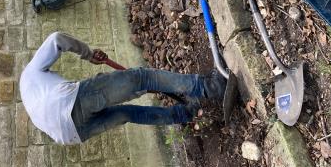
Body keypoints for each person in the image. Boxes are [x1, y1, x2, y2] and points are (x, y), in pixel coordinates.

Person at [20, 32, 226, 145]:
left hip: (70, 135)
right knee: (142, 78)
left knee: (127, 113)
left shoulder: (32, 102)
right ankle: (209, 86)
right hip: (66, 105)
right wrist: (88, 54)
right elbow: (57, 40)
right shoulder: (30, 73)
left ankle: (186, 113)